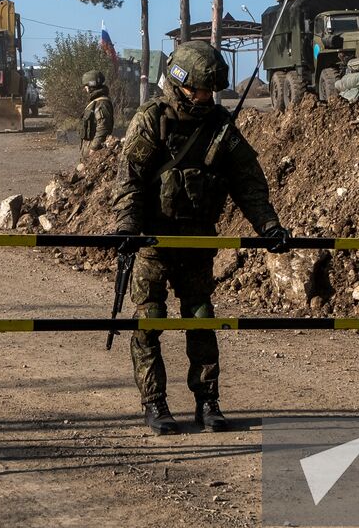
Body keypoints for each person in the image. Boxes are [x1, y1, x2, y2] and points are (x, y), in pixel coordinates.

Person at [113, 41, 290, 434]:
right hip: (154, 244)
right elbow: (130, 182)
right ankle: (155, 403)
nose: (206, 97)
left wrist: (270, 226)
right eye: (200, 90)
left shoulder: (220, 126)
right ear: (180, 84)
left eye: (212, 90)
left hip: (197, 242)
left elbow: (249, 184)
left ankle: (208, 402)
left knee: (201, 319)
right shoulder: (152, 120)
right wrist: (127, 227)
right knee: (150, 321)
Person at [80, 69, 113, 154]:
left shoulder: (101, 103)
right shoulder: (95, 102)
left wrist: (94, 148)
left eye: (86, 85)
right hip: (89, 146)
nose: (85, 88)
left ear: (91, 85)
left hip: (94, 149)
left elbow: (103, 127)